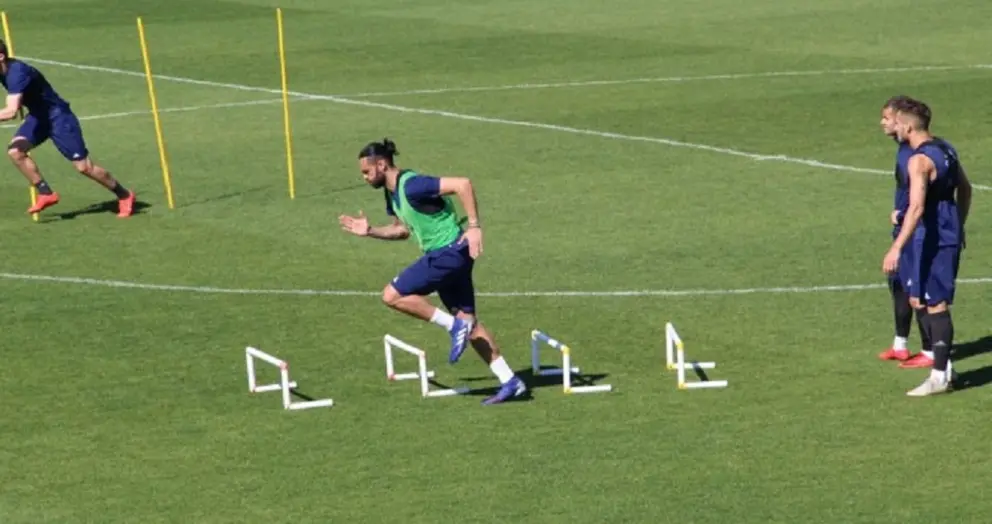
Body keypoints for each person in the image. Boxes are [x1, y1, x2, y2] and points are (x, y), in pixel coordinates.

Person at [338, 138, 527, 405]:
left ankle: (453, 326)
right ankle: (510, 381)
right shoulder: (392, 194)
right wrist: (370, 231)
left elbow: (463, 184)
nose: (364, 178)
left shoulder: (413, 185)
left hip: (449, 253)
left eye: (366, 172)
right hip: (451, 256)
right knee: (470, 323)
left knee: (392, 295)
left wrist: (474, 227)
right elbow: (402, 230)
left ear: (381, 165)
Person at [882, 98, 971, 397]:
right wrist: (959, 224)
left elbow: (917, 207)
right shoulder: (947, 149)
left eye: (897, 123)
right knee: (922, 299)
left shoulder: (918, 161)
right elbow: (966, 188)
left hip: (931, 234)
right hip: (946, 229)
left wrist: (896, 247)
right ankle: (945, 368)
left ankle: (939, 376)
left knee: (936, 303)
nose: (894, 128)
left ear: (908, 126)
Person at [0, 39, 135, 218]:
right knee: (15, 152)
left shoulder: (17, 72)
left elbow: (11, 112)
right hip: (38, 117)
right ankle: (46, 193)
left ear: (1, 56)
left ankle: (124, 195)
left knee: (84, 167)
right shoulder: (3, 70)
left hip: (59, 117)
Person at [877, 95, 932, 367]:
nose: (883, 123)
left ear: (903, 122)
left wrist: (901, 214)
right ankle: (900, 344)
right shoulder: (903, 147)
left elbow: (923, 196)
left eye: (887, 118)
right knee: (897, 282)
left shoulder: (918, 153)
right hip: (902, 226)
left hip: (915, 229)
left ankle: (930, 351)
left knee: (917, 289)